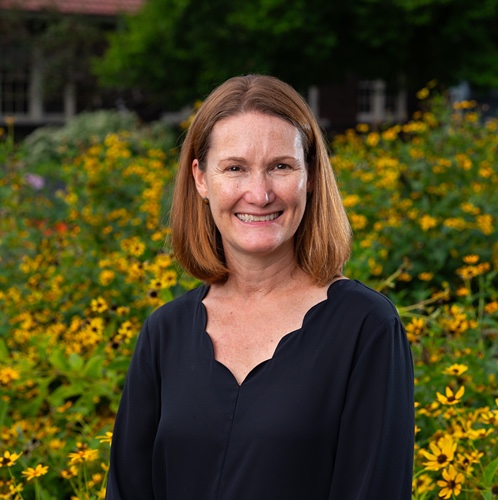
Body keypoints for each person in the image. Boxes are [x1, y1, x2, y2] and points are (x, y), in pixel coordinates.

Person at [106, 74, 414, 500]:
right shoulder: (164, 333)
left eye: (280, 167)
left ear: (310, 176)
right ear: (200, 179)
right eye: (235, 168)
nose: (260, 193)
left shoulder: (365, 328)